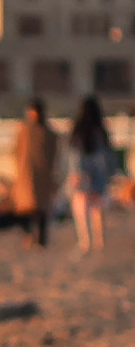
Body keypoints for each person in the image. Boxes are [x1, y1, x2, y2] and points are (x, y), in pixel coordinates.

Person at [69, 93, 118, 254]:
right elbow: (107, 156)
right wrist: (109, 174)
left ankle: (85, 241)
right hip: (98, 175)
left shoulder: (78, 131)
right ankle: (99, 240)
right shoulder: (101, 131)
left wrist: (74, 173)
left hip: (82, 174)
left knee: (81, 209)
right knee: (97, 209)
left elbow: (73, 155)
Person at [12, 98, 60, 251]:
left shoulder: (49, 132)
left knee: (42, 209)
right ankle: (29, 236)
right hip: (26, 174)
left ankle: (41, 240)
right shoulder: (24, 130)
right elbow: (16, 150)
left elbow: (54, 153)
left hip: (43, 175)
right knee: (26, 209)